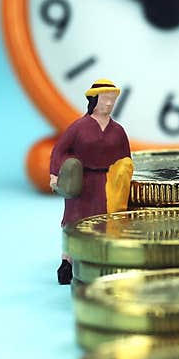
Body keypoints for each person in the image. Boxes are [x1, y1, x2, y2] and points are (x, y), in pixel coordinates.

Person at [50, 79, 133, 285]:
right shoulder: (79, 127)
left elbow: (126, 157)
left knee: (105, 223)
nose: (108, 104)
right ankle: (67, 260)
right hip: (84, 182)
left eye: (112, 100)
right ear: (93, 100)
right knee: (74, 220)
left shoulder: (118, 130)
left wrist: (123, 175)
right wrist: (56, 174)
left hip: (107, 183)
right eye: (104, 99)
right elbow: (59, 150)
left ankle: (101, 260)